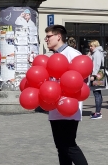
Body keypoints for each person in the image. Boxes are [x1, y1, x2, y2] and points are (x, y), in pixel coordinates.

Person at [44, 24, 89, 165]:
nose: (46, 39)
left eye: (49, 36)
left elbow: (82, 80)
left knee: (69, 145)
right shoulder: (51, 57)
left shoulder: (73, 55)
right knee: (60, 147)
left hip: (69, 106)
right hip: (54, 107)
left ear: (59, 36)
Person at [89, 40, 108, 119]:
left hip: (97, 74)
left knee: (96, 93)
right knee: (98, 93)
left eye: (91, 46)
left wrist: (93, 74)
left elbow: (97, 64)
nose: (90, 47)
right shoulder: (98, 52)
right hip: (100, 73)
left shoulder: (96, 53)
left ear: (95, 46)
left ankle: (98, 112)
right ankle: (98, 111)